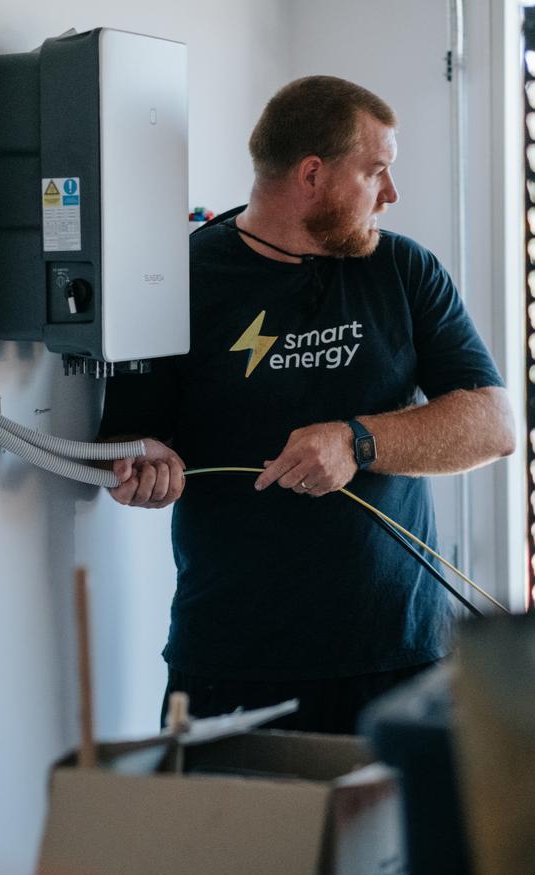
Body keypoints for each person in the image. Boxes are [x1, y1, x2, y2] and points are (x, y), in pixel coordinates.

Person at [99, 75, 515, 734]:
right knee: (232, 841)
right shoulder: (178, 281)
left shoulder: (404, 271)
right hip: (234, 665)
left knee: (401, 842)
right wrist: (142, 472)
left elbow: (493, 425)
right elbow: (131, 448)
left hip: (402, 656)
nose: (391, 194)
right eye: (375, 171)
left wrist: (357, 442)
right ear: (313, 175)